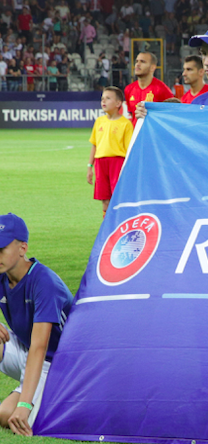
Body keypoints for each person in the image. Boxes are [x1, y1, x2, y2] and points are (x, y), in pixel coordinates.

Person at [0, 213, 74, 436]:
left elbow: (40, 347)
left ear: (23, 248)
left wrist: (24, 405)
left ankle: (59, 400)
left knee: (6, 414)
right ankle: (34, 394)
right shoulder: (3, 272)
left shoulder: (44, 282)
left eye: (2, 248)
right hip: (27, 349)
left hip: (57, 362)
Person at [88, 87, 133, 216]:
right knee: (104, 199)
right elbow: (94, 145)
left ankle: (119, 226)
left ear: (118, 103)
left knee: (117, 197)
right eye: (102, 99)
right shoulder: (99, 121)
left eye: (108, 98)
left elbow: (129, 150)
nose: (103, 101)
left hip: (117, 163)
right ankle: (106, 229)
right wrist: (89, 166)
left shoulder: (126, 124)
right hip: (100, 164)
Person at [124, 51, 173, 125]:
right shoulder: (128, 89)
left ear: (152, 67)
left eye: (142, 62)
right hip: (135, 134)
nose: (137, 64)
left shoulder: (163, 90)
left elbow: (170, 117)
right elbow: (132, 115)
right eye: (137, 61)